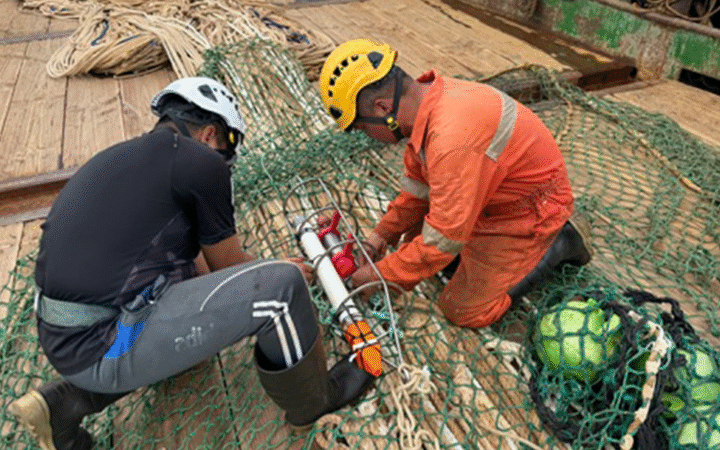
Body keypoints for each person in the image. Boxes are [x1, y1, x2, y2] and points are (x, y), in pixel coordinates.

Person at [9, 77, 373, 450]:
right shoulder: (199, 161)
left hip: (65, 336)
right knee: (281, 290)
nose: (222, 166)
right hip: (106, 344)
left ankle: (64, 404)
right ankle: (315, 403)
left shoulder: (124, 156)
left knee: (197, 292)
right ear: (210, 134)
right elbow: (227, 266)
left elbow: (197, 267)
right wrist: (284, 269)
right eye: (223, 154)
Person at [318, 39, 593, 328]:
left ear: (383, 107)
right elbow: (416, 192)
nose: (366, 135)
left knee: (461, 310)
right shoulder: (429, 104)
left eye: (362, 127)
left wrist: (376, 276)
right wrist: (378, 239)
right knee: (414, 245)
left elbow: (442, 240)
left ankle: (562, 241)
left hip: (528, 211)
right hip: (489, 197)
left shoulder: (452, 139)